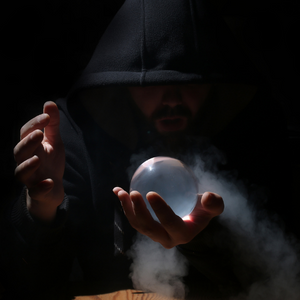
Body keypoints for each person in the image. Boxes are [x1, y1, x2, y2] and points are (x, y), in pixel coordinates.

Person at [2, 0, 298, 299]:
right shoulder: (71, 140)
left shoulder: (250, 136)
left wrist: (204, 241)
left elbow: (277, 275)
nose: (172, 98)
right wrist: (41, 208)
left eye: (188, 81)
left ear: (216, 83)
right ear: (122, 82)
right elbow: (30, 285)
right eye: (152, 82)